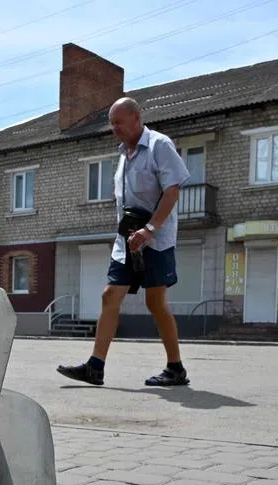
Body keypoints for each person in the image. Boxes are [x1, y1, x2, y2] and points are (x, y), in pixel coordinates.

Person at [57, 97, 191, 388]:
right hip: (127, 240)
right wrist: (129, 232)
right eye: (111, 123)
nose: (113, 128)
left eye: (118, 122)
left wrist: (150, 229)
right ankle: (95, 367)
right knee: (110, 294)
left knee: (155, 303)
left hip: (155, 240)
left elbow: (172, 191)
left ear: (136, 119)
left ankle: (175, 368)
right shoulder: (123, 155)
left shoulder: (159, 146)